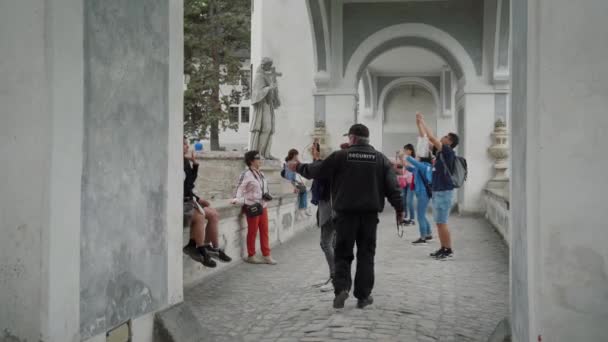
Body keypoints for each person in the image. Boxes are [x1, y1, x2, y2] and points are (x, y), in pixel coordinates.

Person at [288, 124, 403, 309]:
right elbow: (393, 187)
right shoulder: (380, 159)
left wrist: (298, 167)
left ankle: (341, 289)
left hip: (345, 216)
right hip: (369, 217)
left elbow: (318, 170)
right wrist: (399, 209)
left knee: (342, 254)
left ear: (353, 138)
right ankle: (363, 296)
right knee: (366, 255)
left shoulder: (340, 156)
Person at [182, 138, 232, 268]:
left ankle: (213, 248)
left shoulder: (185, 162)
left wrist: (195, 164)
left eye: (187, 144)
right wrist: (197, 200)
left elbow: (189, 184)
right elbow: (182, 188)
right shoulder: (174, 163)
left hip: (188, 200)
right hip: (181, 202)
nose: (187, 147)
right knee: (200, 215)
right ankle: (200, 250)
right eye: (184, 144)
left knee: (214, 214)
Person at [415, 112, 459, 260]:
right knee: (439, 223)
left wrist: (423, 120)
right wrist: (419, 124)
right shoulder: (440, 153)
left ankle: (448, 250)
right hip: (438, 192)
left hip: (444, 192)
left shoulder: (447, 151)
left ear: (450, 142)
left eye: (446, 136)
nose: (443, 137)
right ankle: (443, 247)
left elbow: (432, 138)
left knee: (443, 222)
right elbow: (426, 139)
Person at [230, 150, 278, 265]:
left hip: (263, 205)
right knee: (252, 231)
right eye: (258, 158)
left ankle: (267, 255)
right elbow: (240, 188)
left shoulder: (261, 173)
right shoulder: (246, 174)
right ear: (251, 160)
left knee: (264, 231)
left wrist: (267, 195)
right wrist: (236, 199)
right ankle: (251, 255)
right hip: (252, 206)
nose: (260, 160)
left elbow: (263, 188)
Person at [404, 154, 433, 245]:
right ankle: (428, 234)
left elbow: (414, 162)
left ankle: (423, 237)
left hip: (423, 193)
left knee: (420, 216)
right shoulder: (420, 167)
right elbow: (410, 168)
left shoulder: (424, 166)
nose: (416, 157)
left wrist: (406, 156)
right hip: (421, 193)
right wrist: (402, 160)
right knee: (422, 215)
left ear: (422, 158)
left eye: (418, 156)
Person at [282, 149, 311, 218]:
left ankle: (303, 208)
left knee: (303, 188)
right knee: (304, 190)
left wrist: (297, 182)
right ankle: (302, 209)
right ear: (294, 155)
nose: (298, 156)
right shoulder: (291, 163)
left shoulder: (288, 162)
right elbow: (289, 177)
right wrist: (294, 186)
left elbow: (291, 176)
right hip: (289, 185)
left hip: (291, 183)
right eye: (297, 155)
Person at [401, 144, 417, 225]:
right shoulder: (405, 158)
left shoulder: (414, 159)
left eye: (406, 150)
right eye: (404, 150)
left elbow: (408, 167)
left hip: (411, 182)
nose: (405, 152)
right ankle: (405, 217)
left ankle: (412, 219)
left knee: (409, 201)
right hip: (404, 182)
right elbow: (403, 167)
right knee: (403, 200)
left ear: (411, 150)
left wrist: (402, 159)